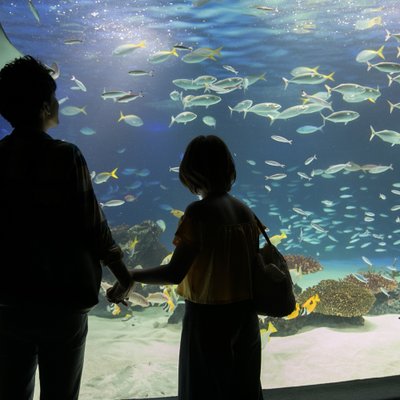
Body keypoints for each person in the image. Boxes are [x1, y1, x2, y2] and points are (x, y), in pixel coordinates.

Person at [0, 55, 132, 400]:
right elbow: (94, 225)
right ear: (46, 106)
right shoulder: (65, 156)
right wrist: (123, 272)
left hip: (8, 300)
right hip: (62, 300)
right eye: (55, 98)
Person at [107, 135, 264, 400]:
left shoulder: (198, 213)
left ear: (191, 172)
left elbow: (174, 272)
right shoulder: (246, 212)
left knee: (203, 387)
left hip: (208, 318)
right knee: (244, 387)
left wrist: (130, 275)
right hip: (245, 316)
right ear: (228, 167)